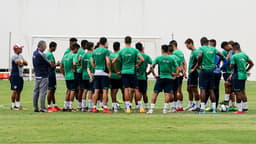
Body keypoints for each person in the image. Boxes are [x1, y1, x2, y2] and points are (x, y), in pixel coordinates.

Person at [112, 36, 144, 113]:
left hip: (124, 72)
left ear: (124, 41)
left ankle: (127, 107)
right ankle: (140, 107)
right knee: (136, 89)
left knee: (126, 89)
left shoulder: (122, 51)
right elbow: (142, 59)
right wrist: (138, 65)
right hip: (132, 72)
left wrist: (117, 71)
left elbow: (113, 61)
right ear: (131, 41)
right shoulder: (135, 50)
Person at [147, 44, 179, 114]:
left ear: (161, 50)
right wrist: (175, 75)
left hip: (161, 78)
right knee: (167, 94)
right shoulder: (172, 58)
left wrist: (154, 74)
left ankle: (151, 109)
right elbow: (178, 68)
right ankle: (165, 109)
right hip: (169, 78)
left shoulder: (159, 58)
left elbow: (151, 66)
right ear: (168, 50)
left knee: (155, 93)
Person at [197, 37, 224, 114]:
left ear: (201, 42)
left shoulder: (201, 48)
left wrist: (199, 64)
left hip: (204, 70)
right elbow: (222, 56)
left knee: (203, 89)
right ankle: (214, 109)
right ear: (207, 42)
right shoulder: (213, 49)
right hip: (212, 71)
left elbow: (200, 56)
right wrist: (216, 64)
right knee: (211, 89)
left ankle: (202, 108)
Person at [230, 42, 254, 113]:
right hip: (244, 75)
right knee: (243, 92)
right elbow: (252, 63)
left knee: (237, 92)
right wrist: (246, 70)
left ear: (233, 48)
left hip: (237, 75)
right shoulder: (244, 55)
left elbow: (232, 66)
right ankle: (245, 108)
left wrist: (232, 64)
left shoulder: (234, 56)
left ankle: (240, 109)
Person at [90, 37, 112, 113]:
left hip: (97, 72)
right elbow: (108, 62)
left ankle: (94, 107)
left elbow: (92, 62)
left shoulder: (94, 51)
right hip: (104, 73)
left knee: (96, 91)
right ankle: (105, 107)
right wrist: (109, 71)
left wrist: (95, 67)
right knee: (105, 91)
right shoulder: (106, 51)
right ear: (105, 42)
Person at [32, 40, 53, 112]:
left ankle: (35, 107)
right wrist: (53, 64)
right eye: (45, 46)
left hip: (37, 75)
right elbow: (49, 64)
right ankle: (43, 108)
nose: (45, 47)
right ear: (42, 46)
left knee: (35, 92)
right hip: (43, 75)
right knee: (42, 92)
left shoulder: (34, 53)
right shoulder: (41, 54)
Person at [60, 43, 80, 112]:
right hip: (72, 75)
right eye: (77, 49)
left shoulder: (65, 56)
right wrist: (74, 69)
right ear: (75, 49)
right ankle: (71, 106)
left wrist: (64, 74)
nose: (78, 51)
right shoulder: (74, 55)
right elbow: (74, 63)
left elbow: (61, 66)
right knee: (73, 90)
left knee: (68, 90)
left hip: (67, 75)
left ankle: (65, 106)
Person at [169, 40, 187, 111]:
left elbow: (176, 63)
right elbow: (184, 62)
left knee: (174, 91)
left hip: (175, 73)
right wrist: (184, 71)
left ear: (173, 46)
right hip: (181, 73)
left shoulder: (174, 53)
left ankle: (175, 106)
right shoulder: (181, 52)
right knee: (179, 90)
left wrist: (175, 73)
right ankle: (180, 106)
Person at [204, 39, 222, 110]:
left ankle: (204, 105)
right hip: (218, 72)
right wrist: (220, 67)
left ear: (211, 44)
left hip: (212, 72)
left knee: (209, 89)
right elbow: (224, 59)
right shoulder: (218, 52)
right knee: (216, 90)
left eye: (209, 44)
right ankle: (214, 106)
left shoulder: (211, 52)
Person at [9, 44, 27, 110]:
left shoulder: (20, 56)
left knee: (19, 91)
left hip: (20, 76)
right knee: (15, 91)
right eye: (20, 48)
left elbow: (25, 63)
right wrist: (22, 62)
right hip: (15, 75)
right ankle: (13, 106)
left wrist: (22, 62)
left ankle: (18, 105)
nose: (21, 49)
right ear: (16, 49)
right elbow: (20, 64)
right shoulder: (14, 56)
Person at [220, 41, 237, 111]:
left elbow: (227, 61)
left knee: (234, 89)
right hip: (228, 72)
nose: (225, 50)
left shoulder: (234, 52)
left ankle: (234, 104)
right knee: (229, 88)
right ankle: (232, 104)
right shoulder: (227, 52)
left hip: (231, 73)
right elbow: (225, 61)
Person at [135, 42, 152, 111]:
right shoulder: (146, 56)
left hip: (135, 76)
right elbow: (152, 65)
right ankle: (146, 106)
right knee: (144, 92)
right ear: (142, 48)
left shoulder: (135, 56)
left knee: (137, 91)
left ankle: (139, 106)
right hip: (143, 76)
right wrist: (149, 72)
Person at [45, 41, 61, 112]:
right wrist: (57, 64)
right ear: (53, 47)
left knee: (53, 90)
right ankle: (49, 106)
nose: (56, 49)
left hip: (50, 73)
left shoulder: (47, 53)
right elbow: (51, 65)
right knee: (51, 90)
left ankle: (54, 105)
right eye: (55, 47)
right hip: (50, 74)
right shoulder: (49, 54)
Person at [184, 38, 200, 111]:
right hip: (190, 74)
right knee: (189, 89)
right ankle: (190, 104)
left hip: (194, 73)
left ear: (190, 43)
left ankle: (197, 105)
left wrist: (194, 69)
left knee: (194, 89)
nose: (187, 47)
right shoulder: (192, 52)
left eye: (187, 45)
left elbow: (199, 61)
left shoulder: (196, 52)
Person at [110, 42, 123, 112]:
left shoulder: (110, 56)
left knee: (113, 92)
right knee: (124, 91)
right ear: (119, 47)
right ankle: (128, 106)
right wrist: (119, 71)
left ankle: (114, 106)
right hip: (120, 75)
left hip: (112, 75)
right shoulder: (120, 55)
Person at [81, 42, 94, 112]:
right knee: (90, 91)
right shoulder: (92, 55)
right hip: (91, 74)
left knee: (85, 90)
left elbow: (82, 65)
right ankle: (89, 106)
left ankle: (83, 107)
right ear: (92, 47)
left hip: (84, 74)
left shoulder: (83, 55)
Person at [73, 40, 86, 111]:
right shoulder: (82, 52)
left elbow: (74, 63)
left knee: (79, 89)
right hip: (81, 72)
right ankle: (81, 106)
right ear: (85, 45)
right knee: (82, 89)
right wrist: (82, 67)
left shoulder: (78, 51)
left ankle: (79, 105)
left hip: (77, 72)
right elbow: (80, 60)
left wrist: (75, 70)